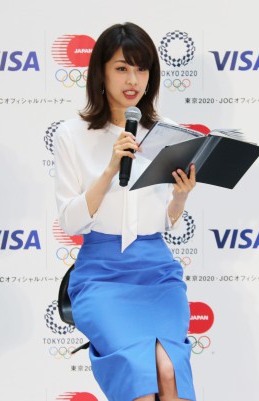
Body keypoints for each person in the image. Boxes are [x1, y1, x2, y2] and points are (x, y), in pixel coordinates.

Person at [53, 22, 197, 401]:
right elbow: (70, 221)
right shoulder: (71, 135)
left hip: (157, 271)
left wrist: (180, 197)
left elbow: (165, 220)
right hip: (101, 275)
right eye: (121, 68)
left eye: (141, 69)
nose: (133, 79)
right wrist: (109, 171)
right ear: (101, 72)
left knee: (168, 369)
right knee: (139, 380)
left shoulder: (168, 132)